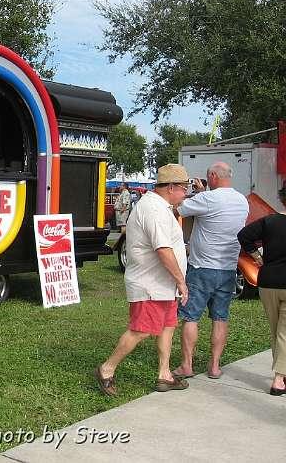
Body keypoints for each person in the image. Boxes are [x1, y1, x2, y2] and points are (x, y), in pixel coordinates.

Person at [96, 164, 190, 396]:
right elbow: (163, 249)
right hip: (150, 284)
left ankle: (164, 375)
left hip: (162, 284)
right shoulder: (153, 209)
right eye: (183, 188)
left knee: (168, 327)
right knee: (141, 330)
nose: (186, 193)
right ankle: (107, 369)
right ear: (170, 187)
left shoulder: (160, 207)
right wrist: (181, 281)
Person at [172, 162, 248, 380]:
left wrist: (191, 193)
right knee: (220, 318)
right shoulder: (241, 200)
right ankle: (214, 366)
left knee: (191, 317)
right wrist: (203, 193)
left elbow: (178, 209)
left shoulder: (205, 199)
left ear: (213, 176)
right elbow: (217, 210)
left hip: (202, 267)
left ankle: (187, 365)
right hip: (228, 269)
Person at [237, 186, 286, 396]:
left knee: (277, 331)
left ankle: (282, 374)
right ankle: (278, 379)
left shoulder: (269, 221)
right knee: (284, 333)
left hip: (268, 281)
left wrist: (257, 257)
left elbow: (243, 235)